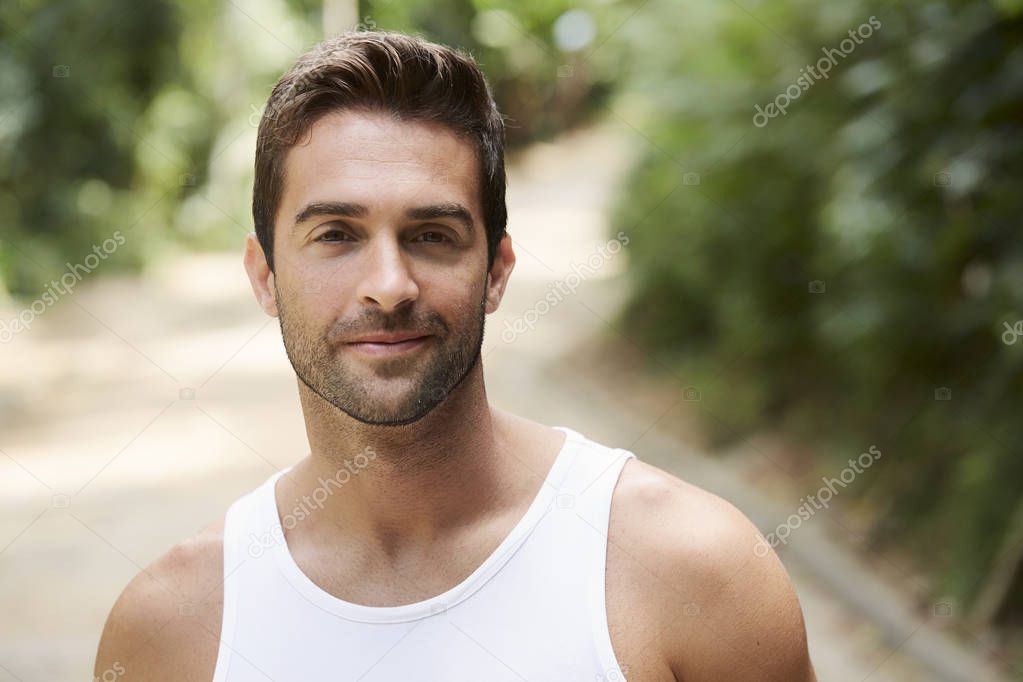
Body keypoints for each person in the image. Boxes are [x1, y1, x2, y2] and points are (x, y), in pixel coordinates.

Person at [94, 30, 816, 681]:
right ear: (264, 275)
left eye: (432, 235)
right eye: (336, 235)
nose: (387, 286)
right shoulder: (173, 631)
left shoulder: (691, 570)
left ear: (497, 270)